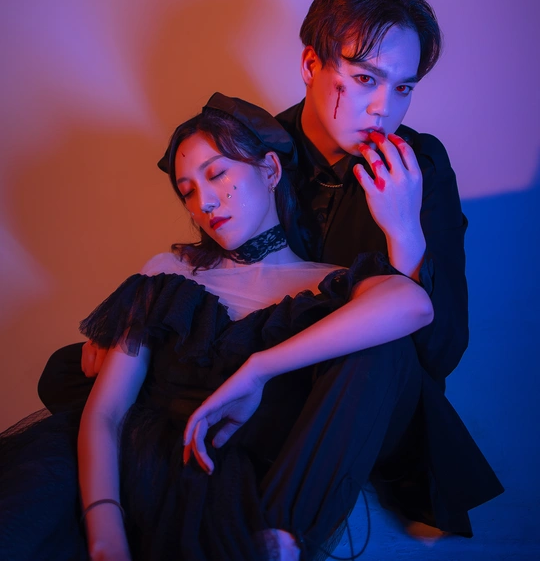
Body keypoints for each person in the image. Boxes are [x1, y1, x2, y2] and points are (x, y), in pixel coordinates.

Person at [0, 94, 440, 561]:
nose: (204, 202)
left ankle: (283, 543)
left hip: (244, 496)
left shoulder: (329, 284)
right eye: (187, 190)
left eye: (216, 174)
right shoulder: (169, 273)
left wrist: (258, 369)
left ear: (270, 170)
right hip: (129, 473)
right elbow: (107, 413)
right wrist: (105, 533)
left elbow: (414, 304)